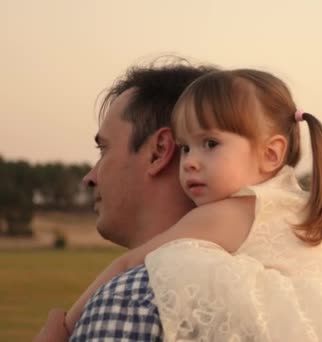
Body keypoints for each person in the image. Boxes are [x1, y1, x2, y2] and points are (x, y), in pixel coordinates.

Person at [63, 69, 322, 341]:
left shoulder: (227, 214)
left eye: (210, 144)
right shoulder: (295, 201)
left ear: (271, 152)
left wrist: (62, 328)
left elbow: (130, 262)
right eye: (186, 146)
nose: (189, 161)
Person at [34, 60, 219, 341]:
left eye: (103, 149)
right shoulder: (264, 283)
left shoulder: (131, 301)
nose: (90, 177)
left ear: (158, 152)